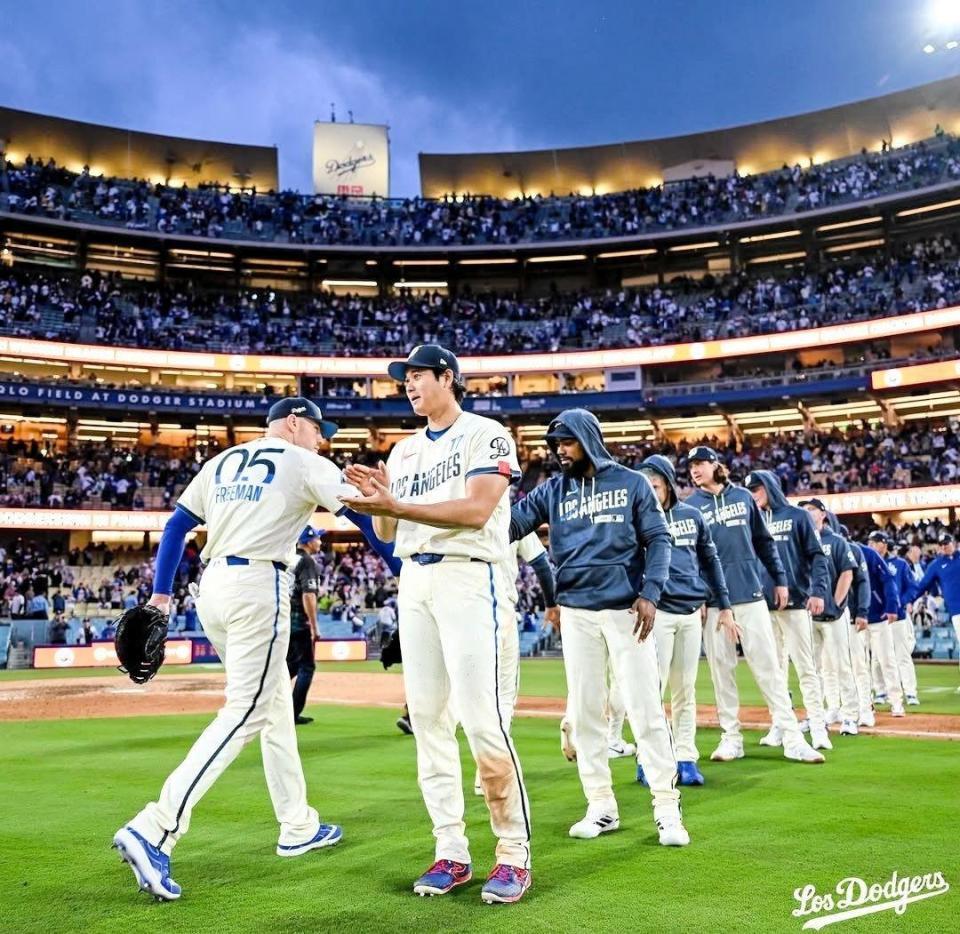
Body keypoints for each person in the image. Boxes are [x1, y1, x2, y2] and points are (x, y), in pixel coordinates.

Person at [113, 397, 357, 901]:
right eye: (317, 429)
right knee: (245, 712)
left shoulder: (222, 461)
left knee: (272, 710)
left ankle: (297, 825)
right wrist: (402, 566)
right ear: (293, 424)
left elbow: (178, 525)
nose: (321, 438)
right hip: (258, 585)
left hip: (214, 589)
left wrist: (161, 594)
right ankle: (156, 827)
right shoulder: (306, 460)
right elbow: (366, 516)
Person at [341, 344, 532, 905]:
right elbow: (392, 539)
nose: (408, 384)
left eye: (417, 375)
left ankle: (513, 854)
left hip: (472, 579)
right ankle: (451, 849)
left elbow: (476, 511)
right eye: (404, 378)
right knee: (427, 720)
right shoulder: (400, 453)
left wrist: (396, 506)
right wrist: (374, 505)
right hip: (417, 582)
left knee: (482, 719)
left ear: (448, 377)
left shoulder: (486, 433)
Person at [508, 409, 688, 847]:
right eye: (555, 445)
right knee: (587, 712)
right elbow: (508, 525)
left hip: (626, 611)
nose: (560, 452)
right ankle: (601, 805)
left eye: (566, 443)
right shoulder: (552, 490)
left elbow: (659, 539)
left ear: (587, 439)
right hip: (576, 613)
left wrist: (652, 591)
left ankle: (666, 808)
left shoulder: (631, 483)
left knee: (645, 708)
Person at [685, 446, 824, 764]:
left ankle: (791, 737)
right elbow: (692, 558)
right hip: (716, 605)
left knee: (770, 669)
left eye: (700, 463)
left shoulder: (743, 498)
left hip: (751, 596)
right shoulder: (691, 506)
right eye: (690, 465)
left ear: (715, 465)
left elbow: (764, 542)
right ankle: (731, 737)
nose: (694, 470)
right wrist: (699, 598)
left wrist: (780, 578)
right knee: (722, 672)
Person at [639, 454, 732, 787]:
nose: (650, 493)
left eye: (655, 486)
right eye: (645, 487)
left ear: (667, 483)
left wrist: (723, 603)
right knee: (653, 689)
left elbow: (710, 561)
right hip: (658, 613)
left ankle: (686, 757)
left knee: (685, 689)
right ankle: (647, 758)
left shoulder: (692, 515)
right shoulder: (638, 519)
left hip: (692, 613)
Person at [745, 471, 832, 751]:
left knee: (806, 668)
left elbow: (817, 555)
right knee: (775, 671)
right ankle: (780, 725)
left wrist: (818, 591)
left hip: (795, 603)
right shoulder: (753, 520)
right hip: (763, 607)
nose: (753, 495)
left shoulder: (798, 516)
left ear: (769, 487)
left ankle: (818, 727)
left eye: (757, 490)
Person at [800, 501, 861, 736]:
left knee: (842, 666)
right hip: (809, 617)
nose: (807, 513)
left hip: (833, 616)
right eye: (804, 510)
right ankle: (815, 716)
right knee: (811, 669)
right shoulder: (801, 540)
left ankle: (849, 716)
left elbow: (847, 572)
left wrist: (836, 603)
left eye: (811, 509)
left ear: (823, 514)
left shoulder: (836, 540)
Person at [905, 531, 960, 689]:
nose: (945, 547)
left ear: (953, 543)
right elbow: (922, 585)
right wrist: (909, 600)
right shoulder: (936, 565)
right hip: (957, 610)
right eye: (942, 545)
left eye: (947, 543)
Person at [859, 532, 905, 717]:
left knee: (887, 660)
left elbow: (888, 581)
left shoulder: (868, 554)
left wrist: (892, 606)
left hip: (877, 616)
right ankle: (865, 704)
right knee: (860, 664)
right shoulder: (841, 551)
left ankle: (896, 702)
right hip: (856, 618)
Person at [286, 526, 324, 726]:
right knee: (307, 667)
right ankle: (291, 713)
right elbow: (308, 594)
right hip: (299, 621)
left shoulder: (289, 558)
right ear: (309, 541)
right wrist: (314, 626)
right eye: (318, 538)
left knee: (290, 665)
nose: (320, 541)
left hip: (283, 619)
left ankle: (271, 700)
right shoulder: (307, 561)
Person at [875, 540, 919, 706]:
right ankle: (880, 691)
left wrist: (900, 602)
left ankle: (910, 692)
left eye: (875, 542)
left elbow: (912, 587)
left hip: (898, 616)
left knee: (903, 655)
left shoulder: (900, 564)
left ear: (884, 545)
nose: (872, 545)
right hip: (878, 617)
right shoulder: (870, 561)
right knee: (877, 658)